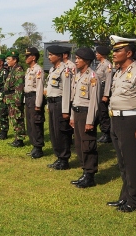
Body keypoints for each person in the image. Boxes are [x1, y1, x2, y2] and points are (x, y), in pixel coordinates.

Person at [106, 35, 136, 212]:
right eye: (113, 50)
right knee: (123, 163)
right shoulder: (119, 73)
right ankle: (126, 196)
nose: (114, 53)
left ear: (128, 53)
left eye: (118, 50)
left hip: (131, 120)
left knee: (133, 162)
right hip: (116, 120)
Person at [69, 47, 100, 188]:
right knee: (79, 144)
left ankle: (90, 174)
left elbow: (94, 101)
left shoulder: (92, 76)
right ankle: (84, 171)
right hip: (77, 112)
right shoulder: (78, 75)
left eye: (78, 58)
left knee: (88, 144)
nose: (75, 61)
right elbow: (74, 97)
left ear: (86, 60)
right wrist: (71, 116)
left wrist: (90, 121)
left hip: (86, 113)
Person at [46, 45, 72, 170]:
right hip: (52, 103)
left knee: (61, 131)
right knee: (54, 131)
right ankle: (59, 157)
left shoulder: (65, 70)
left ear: (60, 56)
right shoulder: (52, 70)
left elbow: (67, 91)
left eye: (51, 54)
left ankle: (64, 159)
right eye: (49, 54)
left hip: (60, 103)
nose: (49, 57)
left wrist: (66, 110)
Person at [24, 48, 45, 158]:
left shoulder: (38, 70)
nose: (26, 58)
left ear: (34, 57)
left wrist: (38, 104)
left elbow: (40, 88)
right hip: (28, 98)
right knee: (30, 123)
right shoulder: (29, 70)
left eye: (28, 56)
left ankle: (38, 147)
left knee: (36, 122)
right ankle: (34, 146)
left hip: (34, 98)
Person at [4, 51, 25, 147]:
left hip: (15, 99)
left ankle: (20, 139)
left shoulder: (18, 70)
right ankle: (17, 138)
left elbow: (19, 87)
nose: (7, 61)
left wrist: (18, 101)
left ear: (15, 60)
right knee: (13, 119)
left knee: (18, 118)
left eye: (9, 59)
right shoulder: (12, 69)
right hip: (10, 99)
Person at [94, 46, 113, 143]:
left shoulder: (107, 65)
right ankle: (104, 132)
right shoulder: (100, 64)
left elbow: (108, 80)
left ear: (102, 54)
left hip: (103, 90)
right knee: (100, 112)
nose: (96, 54)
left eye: (97, 53)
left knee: (103, 113)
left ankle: (107, 134)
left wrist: (106, 95)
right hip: (99, 90)